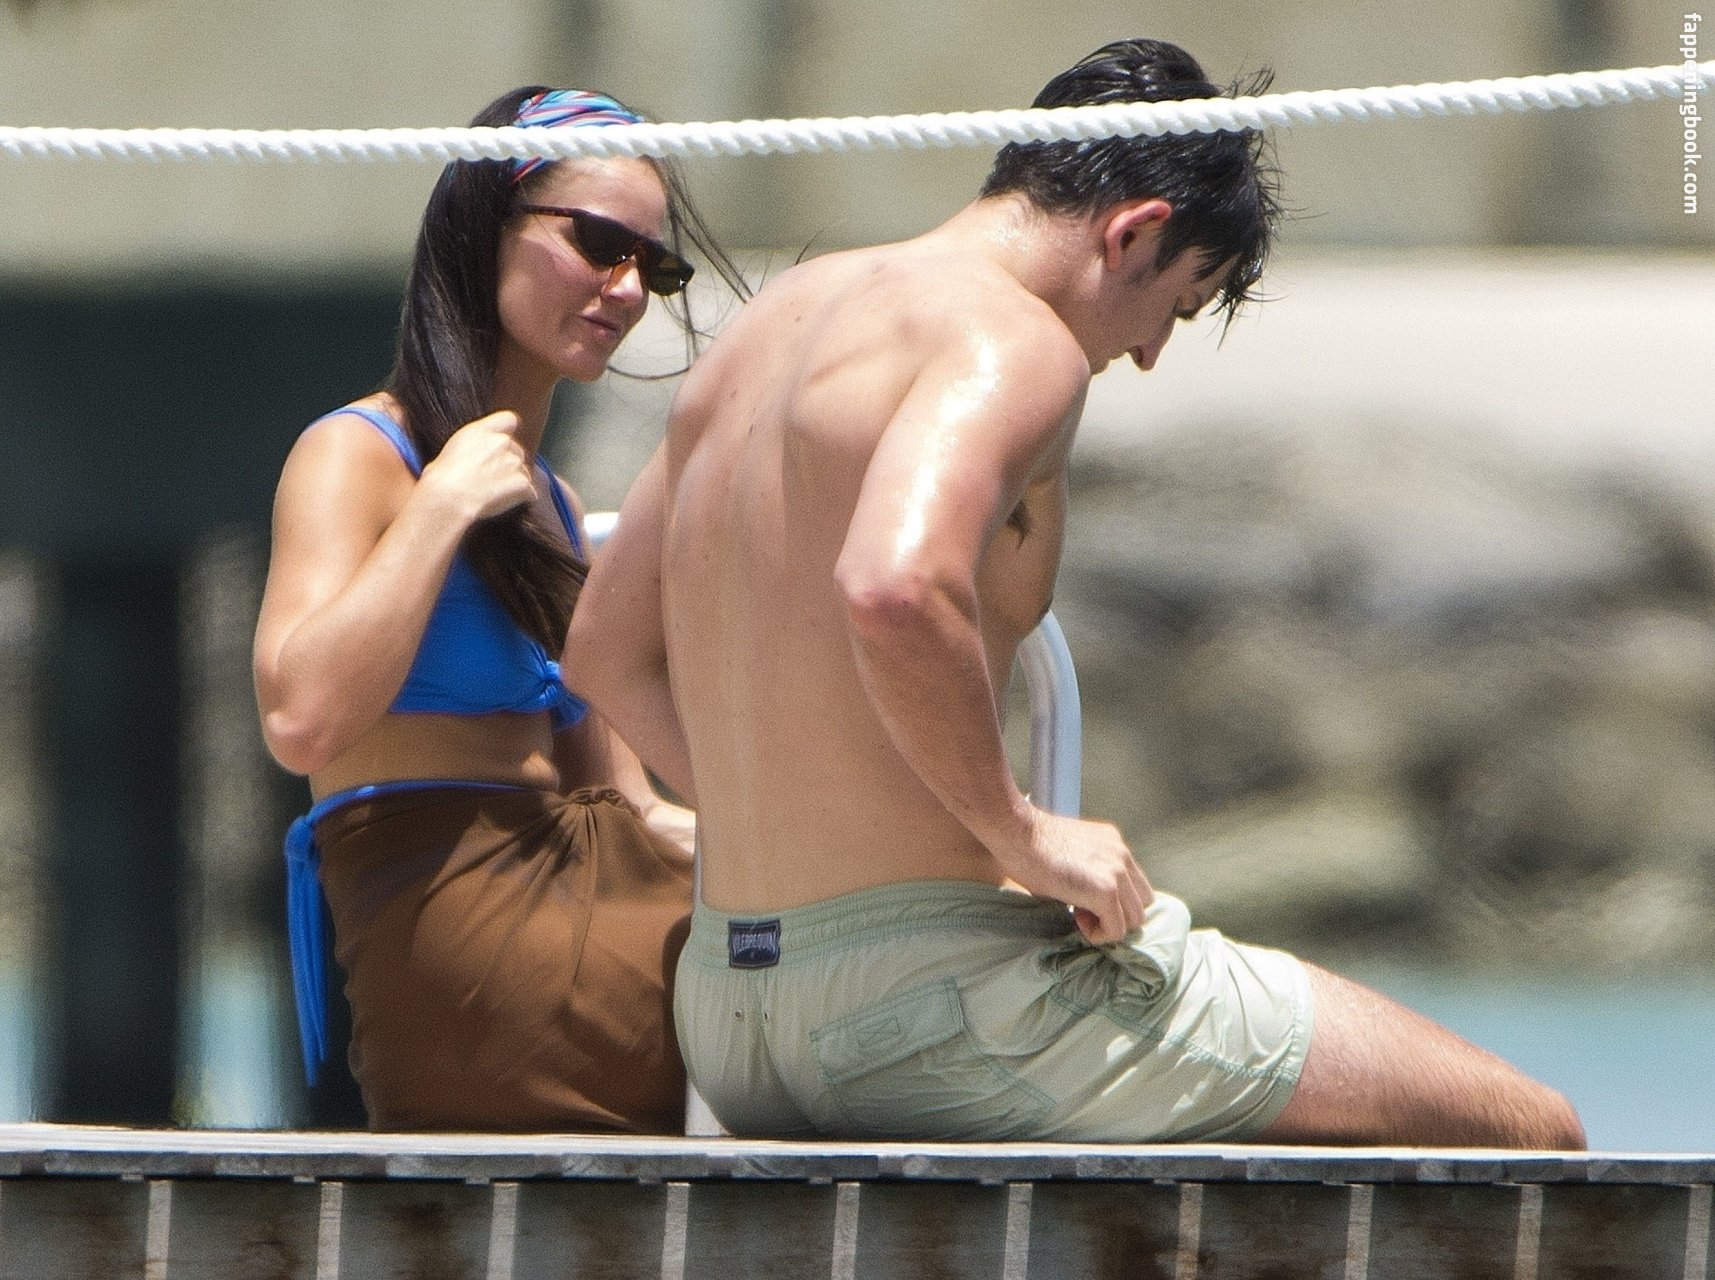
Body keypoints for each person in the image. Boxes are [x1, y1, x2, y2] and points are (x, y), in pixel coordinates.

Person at [564, 39, 1586, 1148]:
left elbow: (602, 647)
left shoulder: (773, 320)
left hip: (733, 1012)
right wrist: (1021, 835)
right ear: (1133, 232)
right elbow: (895, 584)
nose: (1146, 355)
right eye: (1177, 307)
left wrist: (796, 819)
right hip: (930, 1012)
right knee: (1526, 1127)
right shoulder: (1012, 339)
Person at [253, 86, 742, 1132]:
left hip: (574, 901)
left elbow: (628, 806)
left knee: (847, 928)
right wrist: (439, 509)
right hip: (455, 944)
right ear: (486, 223)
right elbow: (300, 722)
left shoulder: (551, 508)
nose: (626, 289)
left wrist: (859, 862)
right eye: (598, 244)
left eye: (651, 266)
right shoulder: (357, 454)